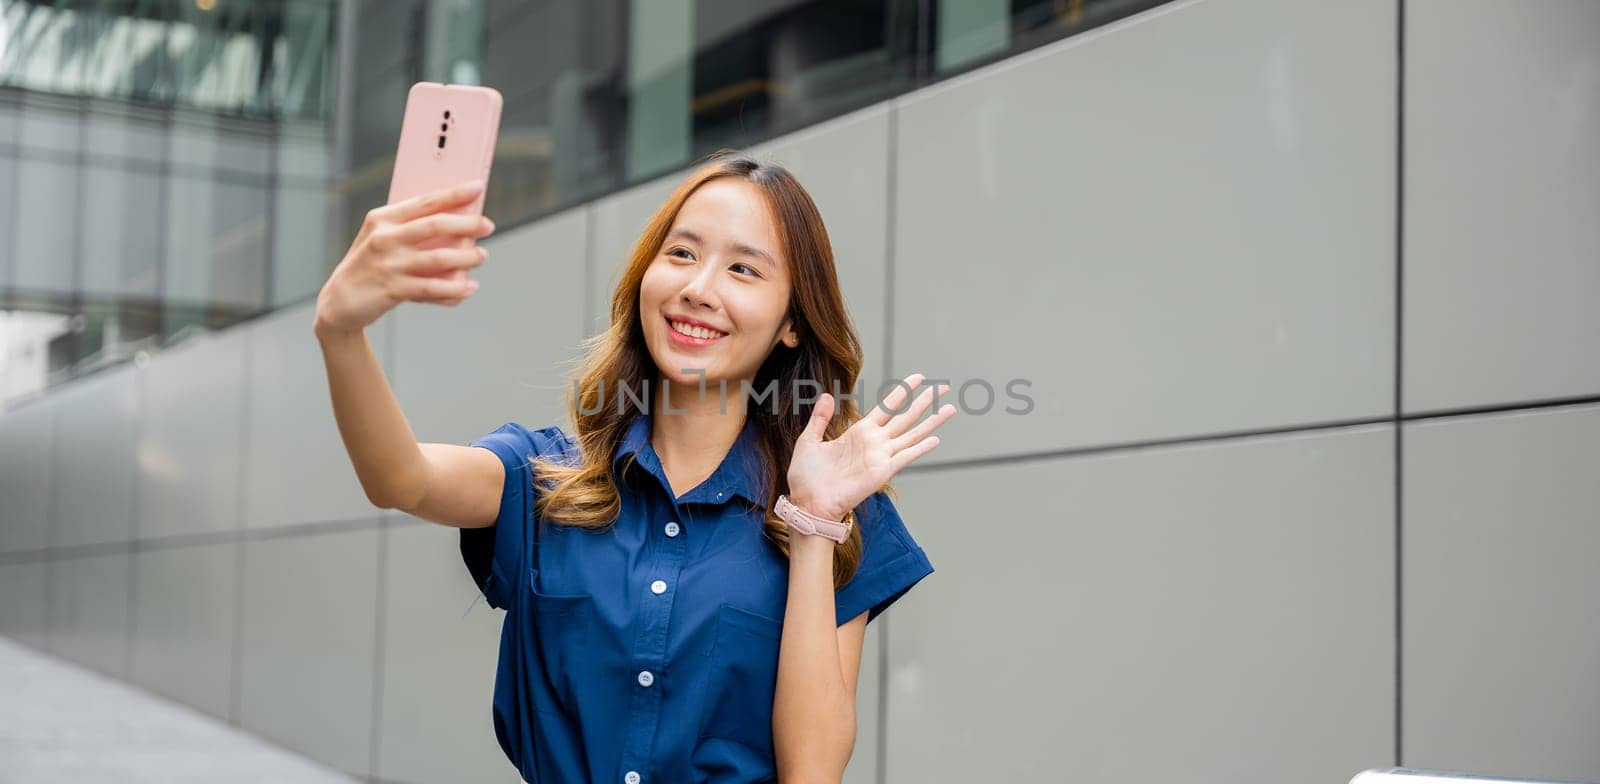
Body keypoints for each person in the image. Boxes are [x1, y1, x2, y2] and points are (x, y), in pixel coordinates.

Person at [314, 151, 954, 783]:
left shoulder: (834, 508)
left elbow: (812, 772)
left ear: (791, 322)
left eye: (743, 270)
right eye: (681, 254)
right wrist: (341, 331)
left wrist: (814, 524)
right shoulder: (546, 477)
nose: (698, 290)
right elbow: (400, 479)